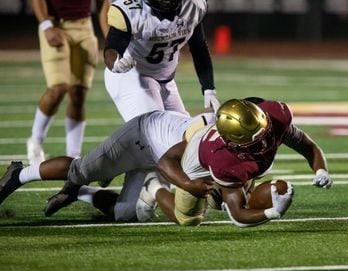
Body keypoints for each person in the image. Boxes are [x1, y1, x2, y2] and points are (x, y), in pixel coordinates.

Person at [138, 98, 333, 227]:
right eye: (255, 141)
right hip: (199, 166)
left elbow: (308, 146)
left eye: (265, 133)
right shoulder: (224, 158)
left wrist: (321, 171)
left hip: (226, 155)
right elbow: (238, 215)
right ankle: (153, 187)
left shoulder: (275, 118)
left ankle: (220, 196)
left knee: (233, 196)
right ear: (233, 143)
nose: (265, 143)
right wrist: (272, 212)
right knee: (188, 219)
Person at [0, 110, 215, 221]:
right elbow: (168, 161)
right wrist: (189, 183)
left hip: (161, 155)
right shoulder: (205, 130)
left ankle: (80, 193)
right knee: (79, 171)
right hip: (141, 138)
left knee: (129, 213)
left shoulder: (231, 142)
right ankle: (20, 174)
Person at [103, 0, 220, 122]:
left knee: (184, 134)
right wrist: (116, 62)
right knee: (156, 129)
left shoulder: (193, 6)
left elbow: (199, 47)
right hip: (132, 76)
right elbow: (111, 49)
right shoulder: (132, 10)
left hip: (166, 81)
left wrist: (209, 88)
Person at [27, 0, 110, 165]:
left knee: (79, 94)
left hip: (85, 26)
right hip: (55, 24)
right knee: (58, 87)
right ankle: (35, 141)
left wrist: (111, 38)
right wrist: (45, 25)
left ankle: (73, 156)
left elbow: (103, 4)